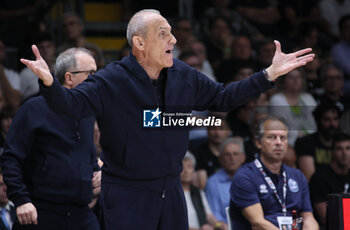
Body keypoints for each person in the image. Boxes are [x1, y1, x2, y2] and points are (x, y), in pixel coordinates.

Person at [20, 9, 314, 230]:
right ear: (140, 42)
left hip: (171, 191)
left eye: (171, 32)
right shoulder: (111, 80)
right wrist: (49, 83)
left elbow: (224, 97)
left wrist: (269, 75)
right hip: (127, 193)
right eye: (163, 33)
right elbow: (70, 104)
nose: (173, 39)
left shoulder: (184, 74)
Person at [0, 48, 101, 230]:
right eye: (91, 73)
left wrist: (97, 174)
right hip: (40, 213)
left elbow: (89, 157)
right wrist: (21, 199)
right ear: (69, 78)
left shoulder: (87, 112)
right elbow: (11, 157)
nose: (97, 78)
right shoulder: (33, 108)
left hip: (81, 214)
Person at [229, 117, 319, 230]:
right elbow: (258, 223)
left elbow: (308, 218)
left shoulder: (297, 176)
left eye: (283, 138)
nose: (278, 142)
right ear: (258, 142)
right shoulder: (245, 176)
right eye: (272, 137)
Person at [309, 132, 350, 227]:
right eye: (339, 149)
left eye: (348, 148)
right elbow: (325, 217)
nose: (344, 153)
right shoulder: (320, 177)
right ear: (332, 152)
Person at [295, 103, 341, 181]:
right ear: (318, 121)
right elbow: (310, 180)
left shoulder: (343, 142)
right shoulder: (306, 143)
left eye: (335, 119)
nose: (332, 124)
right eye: (327, 120)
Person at [205, 137, 245, 224]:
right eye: (227, 154)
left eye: (235, 154)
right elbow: (215, 215)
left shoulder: (252, 177)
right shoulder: (212, 182)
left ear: (243, 157)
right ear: (220, 159)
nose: (232, 158)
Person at [181, 151, 223, 230]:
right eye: (182, 168)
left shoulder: (198, 192)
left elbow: (209, 216)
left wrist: (219, 225)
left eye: (189, 167)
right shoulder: (172, 195)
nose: (186, 171)